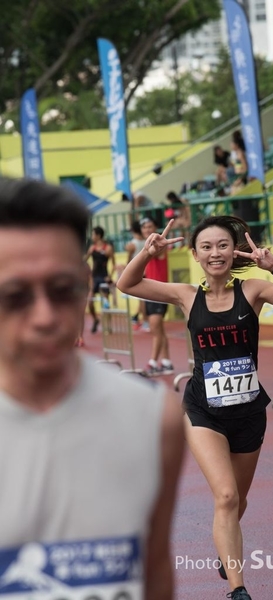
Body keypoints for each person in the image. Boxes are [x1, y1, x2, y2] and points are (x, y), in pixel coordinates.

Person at [0, 176, 184, 600]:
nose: (44, 316)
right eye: (15, 295)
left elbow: (154, 571)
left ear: (85, 281)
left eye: (63, 290)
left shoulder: (152, 417)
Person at [117, 215, 273, 600]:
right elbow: (126, 284)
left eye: (222, 245)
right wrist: (146, 253)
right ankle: (238, 589)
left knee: (238, 502)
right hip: (202, 410)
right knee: (225, 496)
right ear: (194, 254)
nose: (215, 253)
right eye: (206, 247)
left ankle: (227, 550)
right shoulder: (186, 296)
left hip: (248, 412)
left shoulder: (254, 290)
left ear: (234, 251)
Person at [139, 216, 175, 376]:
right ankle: (166, 362)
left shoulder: (159, 246)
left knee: (155, 328)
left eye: (149, 226)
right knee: (158, 330)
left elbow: (157, 253)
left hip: (159, 293)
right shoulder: (146, 248)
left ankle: (152, 362)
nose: (147, 229)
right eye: (144, 227)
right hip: (149, 293)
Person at [85, 225, 115, 333]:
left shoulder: (108, 248)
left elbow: (114, 264)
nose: (92, 236)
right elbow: (84, 260)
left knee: (106, 304)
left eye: (93, 234)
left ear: (98, 235)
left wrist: (110, 276)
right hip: (94, 278)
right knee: (90, 303)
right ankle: (95, 319)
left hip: (103, 277)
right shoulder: (92, 248)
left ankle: (108, 325)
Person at [230, 130, 248, 195]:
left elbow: (245, 167)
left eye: (232, 145)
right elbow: (237, 166)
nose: (231, 146)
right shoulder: (236, 155)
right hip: (238, 177)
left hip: (242, 178)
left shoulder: (241, 154)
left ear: (236, 145)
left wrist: (241, 179)